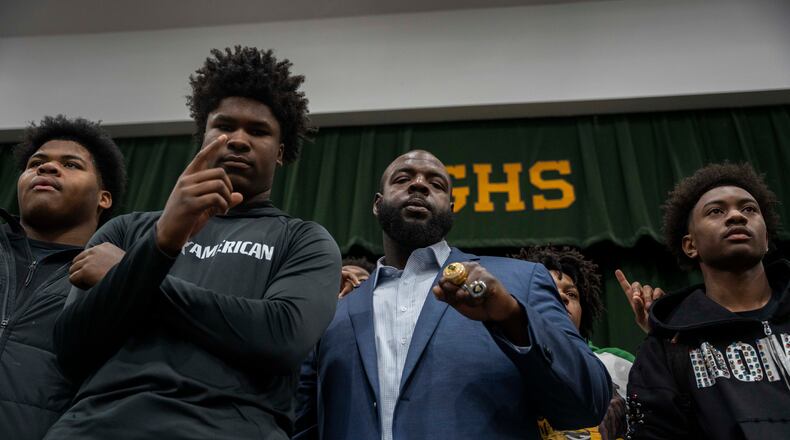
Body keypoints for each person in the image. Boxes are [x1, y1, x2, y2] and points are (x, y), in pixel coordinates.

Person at [46, 47, 341, 439]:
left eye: (258, 131)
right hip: (97, 426)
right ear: (202, 137)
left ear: (282, 152)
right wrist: (160, 244)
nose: (237, 140)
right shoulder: (125, 231)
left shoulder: (304, 240)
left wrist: (130, 270)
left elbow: (282, 337)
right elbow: (70, 349)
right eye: (223, 127)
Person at [296, 150, 611, 440]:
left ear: (452, 207)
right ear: (378, 204)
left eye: (436, 183)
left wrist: (512, 316)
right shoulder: (333, 314)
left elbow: (587, 403)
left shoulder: (519, 281)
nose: (419, 185)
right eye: (403, 179)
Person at [627, 163, 790, 439]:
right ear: (691, 246)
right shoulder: (667, 349)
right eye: (716, 211)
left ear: (766, 239)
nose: (737, 216)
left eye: (749, 209)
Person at [0, 115, 125, 440]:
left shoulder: (119, 277)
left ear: (103, 198)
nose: (46, 168)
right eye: (36, 163)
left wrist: (125, 277)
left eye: (71, 165)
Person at [517, 246, 633, 440]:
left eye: (572, 294)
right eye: (548, 291)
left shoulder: (619, 362)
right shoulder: (505, 365)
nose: (562, 297)